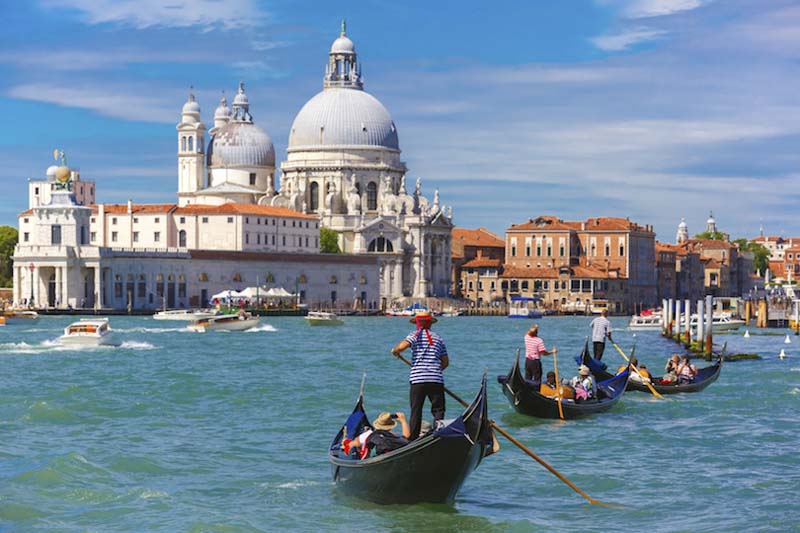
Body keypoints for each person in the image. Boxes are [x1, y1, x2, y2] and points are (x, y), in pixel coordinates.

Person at [392, 310, 449, 439]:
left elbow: (402, 347)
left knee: (416, 410)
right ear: (430, 324)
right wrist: (434, 371)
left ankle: (412, 439)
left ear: (417, 323)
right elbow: (445, 362)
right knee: (438, 410)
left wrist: (395, 351)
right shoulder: (438, 338)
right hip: (436, 378)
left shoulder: (414, 335)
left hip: (418, 379)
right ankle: (438, 435)